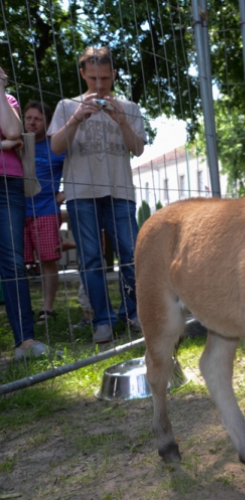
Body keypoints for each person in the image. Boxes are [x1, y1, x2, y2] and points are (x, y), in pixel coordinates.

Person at [48, 46, 146, 344]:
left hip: (120, 191)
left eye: (105, 78)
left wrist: (122, 121)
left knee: (131, 255)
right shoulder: (67, 106)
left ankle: (132, 313)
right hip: (81, 193)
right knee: (90, 259)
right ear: (82, 74)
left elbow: (138, 148)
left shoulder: (129, 107)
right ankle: (101, 321)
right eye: (93, 79)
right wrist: (77, 118)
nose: (100, 85)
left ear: (114, 74)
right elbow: (55, 148)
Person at [0, 65, 52, 359]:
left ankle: (25, 341)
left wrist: (0, 88)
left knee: (13, 263)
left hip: (8, 185)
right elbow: (5, 138)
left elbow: (11, 131)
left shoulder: (8, 101)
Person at [23, 101, 66, 324]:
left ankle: (47, 309)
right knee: (19, 263)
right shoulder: (18, 142)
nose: (32, 122)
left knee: (48, 260)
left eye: (37, 119)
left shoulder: (56, 146)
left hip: (46, 211)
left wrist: (63, 194)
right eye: (28, 117)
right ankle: (23, 308)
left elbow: (75, 169)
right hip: (17, 211)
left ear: (47, 123)